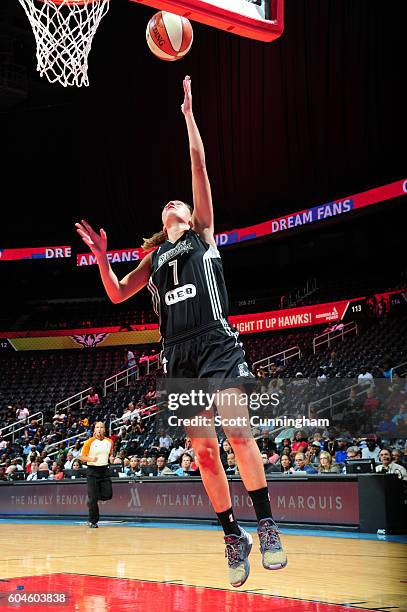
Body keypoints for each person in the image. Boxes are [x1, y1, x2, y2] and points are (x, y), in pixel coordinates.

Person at [75, 75, 286, 587]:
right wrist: (103, 261)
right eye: (168, 204)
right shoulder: (152, 258)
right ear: (161, 219)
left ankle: (267, 523)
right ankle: (232, 534)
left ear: (191, 216)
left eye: (181, 203)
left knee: (237, 433)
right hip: (178, 358)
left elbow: (199, 166)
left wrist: (189, 116)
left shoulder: (203, 237)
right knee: (205, 453)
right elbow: (118, 294)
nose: (174, 203)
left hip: (217, 344)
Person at [78, 422, 114, 528]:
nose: (99, 429)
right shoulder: (89, 442)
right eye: (97, 427)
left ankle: (92, 499)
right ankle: (93, 521)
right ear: (94, 430)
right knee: (93, 500)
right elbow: (81, 457)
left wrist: (111, 458)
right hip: (92, 471)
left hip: (104, 470)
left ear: (104, 429)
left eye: (101, 427)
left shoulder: (109, 441)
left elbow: (110, 454)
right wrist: (91, 459)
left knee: (108, 495)